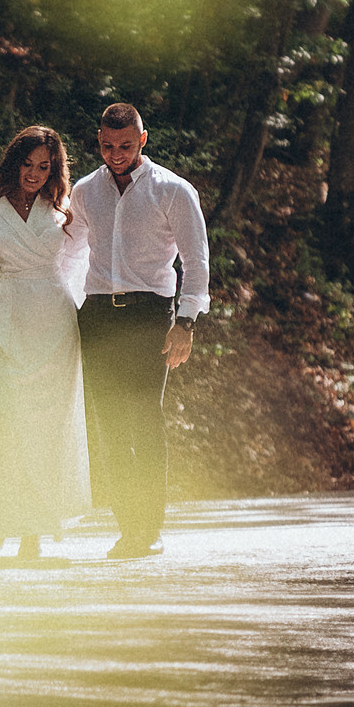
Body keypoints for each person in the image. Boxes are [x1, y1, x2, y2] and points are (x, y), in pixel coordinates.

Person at [66, 103, 209, 560]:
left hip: (150, 313)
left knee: (144, 419)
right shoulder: (86, 191)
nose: (116, 154)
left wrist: (185, 321)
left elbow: (197, 259)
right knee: (109, 424)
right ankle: (128, 528)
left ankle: (150, 528)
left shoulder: (173, 190)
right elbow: (66, 252)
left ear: (142, 140)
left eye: (125, 145)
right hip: (98, 314)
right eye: (108, 146)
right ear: (98, 141)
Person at [0, 127, 92, 559]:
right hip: (6, 315)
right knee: (3, 423)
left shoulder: (62, 211)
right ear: (14, 162)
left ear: (55, 169)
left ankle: (34, 530)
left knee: (46, 427)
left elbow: (80, 266)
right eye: (28, 164)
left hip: (53, 321)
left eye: (44, 166)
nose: (34, 173)